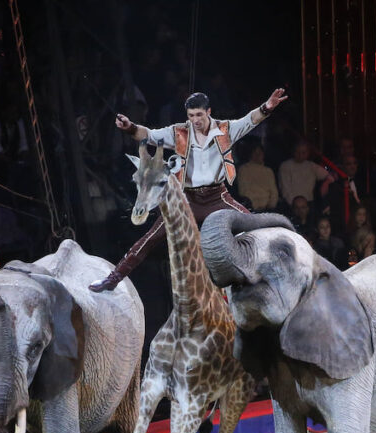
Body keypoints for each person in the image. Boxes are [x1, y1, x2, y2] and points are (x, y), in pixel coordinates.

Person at [90, 88, 288, 292]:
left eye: (199, 115)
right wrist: (130, 127)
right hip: (188, 200)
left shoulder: (225, 130)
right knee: (149, 238)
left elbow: (250, 120)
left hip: (217, 197)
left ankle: (280, 278)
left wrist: (267, 107)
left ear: (208, 111)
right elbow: (148, 135)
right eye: (191, 116)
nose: (195, 120)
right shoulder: (179, 133)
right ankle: (112, 279)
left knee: (255, 228)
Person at [277, 140, 334, 208]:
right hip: (291, 204)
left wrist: (326, 183)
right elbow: (285, 189)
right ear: (293, 152)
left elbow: (330, 176)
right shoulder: (285, 166)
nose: (300, 155)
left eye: (303, 152)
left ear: (308, 153)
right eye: (298, 152)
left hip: (309, 203)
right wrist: (295, 204)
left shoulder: (312, 166)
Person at [235, 142, 279, 211]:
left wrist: (270, 206)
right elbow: (243, 191)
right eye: (255, 153)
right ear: (250, 154)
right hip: (251, 208)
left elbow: (274, 192)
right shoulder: (244, 169)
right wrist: (255, 206)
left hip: (268, 209)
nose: (258, 155)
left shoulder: (268, 171)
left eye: (260, 153)